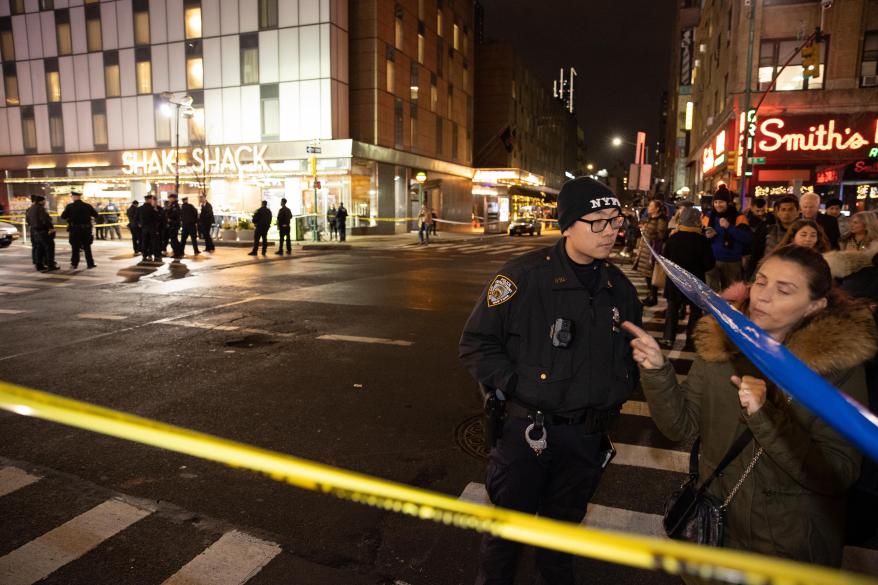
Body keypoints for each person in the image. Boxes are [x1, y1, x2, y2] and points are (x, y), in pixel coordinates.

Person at [624, 245, 875, 576]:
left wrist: (765, 415)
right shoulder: (721, 342)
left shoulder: (836, 368)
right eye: (760, 281)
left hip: (786, 544)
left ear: (815, 305)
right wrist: (657, 371)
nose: (763, 297)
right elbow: (679, 428)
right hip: (713, 528)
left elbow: (838, 473)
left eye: (783, 290)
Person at [460, 177, 641, 585]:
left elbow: (629, 354)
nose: (610, 230)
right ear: (567, 224)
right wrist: (520, 386)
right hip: (528, 434)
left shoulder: (620, 289)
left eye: (615, 220)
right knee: (505, 542)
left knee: (559, 545)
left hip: (585, 440)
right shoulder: (522, 278)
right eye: (597, 221)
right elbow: (475, 344)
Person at [659, 207, 714, 350]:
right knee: (695, 312)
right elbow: (709, 263)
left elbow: (665, 258)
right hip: (694, 281)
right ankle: (691, 341)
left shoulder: (673, 238)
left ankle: (668, 338)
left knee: (672, 309)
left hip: (675, 281)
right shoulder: (702, 241)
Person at [702, 186, 751, 292]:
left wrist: (729, 227)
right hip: (712, 261)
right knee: (712, 293)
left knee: (731, 294)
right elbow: (701, 235)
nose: (718, 205)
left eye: (721, 202)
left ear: (728, 203)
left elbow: (746, 238)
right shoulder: (708, 217)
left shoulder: (739, 217)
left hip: (732, 262)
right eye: (715, 202)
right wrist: (706, 235)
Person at [632, 199, 668, 306]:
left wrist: (646, 231)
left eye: (651, 206)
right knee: (648, 275)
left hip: (653, 251)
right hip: (646, 251)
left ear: (657, 208)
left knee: (652, 275)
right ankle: (651, 296)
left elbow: (661, 236)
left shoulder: (661, 220)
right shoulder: (650, 218)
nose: (648, 207)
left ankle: (653, 297)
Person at [60, 189, 98, 269]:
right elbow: (96, 215)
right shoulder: (87, 206)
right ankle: (90, 264)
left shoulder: (70, 206)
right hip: (86, 230)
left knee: (75, 247)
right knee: (87, 247)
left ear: (74, 197)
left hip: (75, 230)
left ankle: (74, 264)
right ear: (79, 197)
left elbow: (63, 216)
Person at [26, 195, 59, 271]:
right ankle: (50, 265)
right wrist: (51, 228)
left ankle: (39, 265)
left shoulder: (30, 209)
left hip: (34, 231)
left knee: (39, 249)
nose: (45, 202)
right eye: (44, 201)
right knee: (49, 247)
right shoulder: (41, 209)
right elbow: (45, 220)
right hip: (42, 231)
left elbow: (28, 220)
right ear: (41, 201)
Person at [137, 195, 161, 262]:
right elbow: (157, 218)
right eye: (151, 199)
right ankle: (156, 256)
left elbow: (136, 218)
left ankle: (144, 256)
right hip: (152, 228)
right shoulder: (152, 208)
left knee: (145, 242)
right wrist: (156, 211)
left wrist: (139, 224)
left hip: (144, 229)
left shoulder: (140, 208)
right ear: (150, 200)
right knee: (154, 242)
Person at [165, 193, 183, 258]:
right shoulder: (172, 205)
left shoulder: (175, 205)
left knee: (174, 240)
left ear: (173, 198)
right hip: (172, 224)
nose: (169, 199)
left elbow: (175, 214)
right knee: (174, 239)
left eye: (170, 198)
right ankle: (178, 252)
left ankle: (177, 253)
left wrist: (169, 218)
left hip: (173, 224)